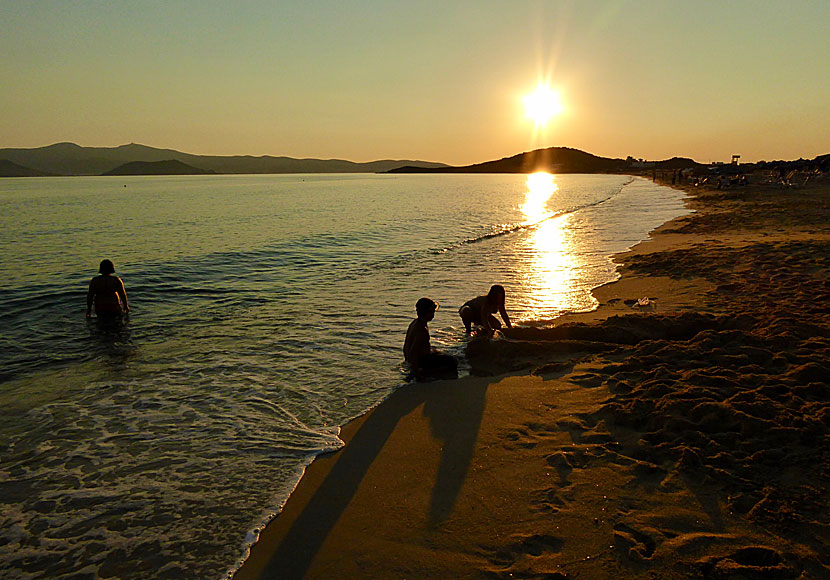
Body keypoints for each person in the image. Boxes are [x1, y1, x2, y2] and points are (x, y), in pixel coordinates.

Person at [403, 298, 457, 379]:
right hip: (421, 361)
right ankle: (429, 374)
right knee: (452, 361)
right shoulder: (421, 330)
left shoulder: (415, 322)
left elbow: (407, 347)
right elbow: (413, 352)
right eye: (432, 312)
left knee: (439, 352)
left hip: (417, 358)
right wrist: (417, 374)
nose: (433, 315)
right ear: (426, 312)